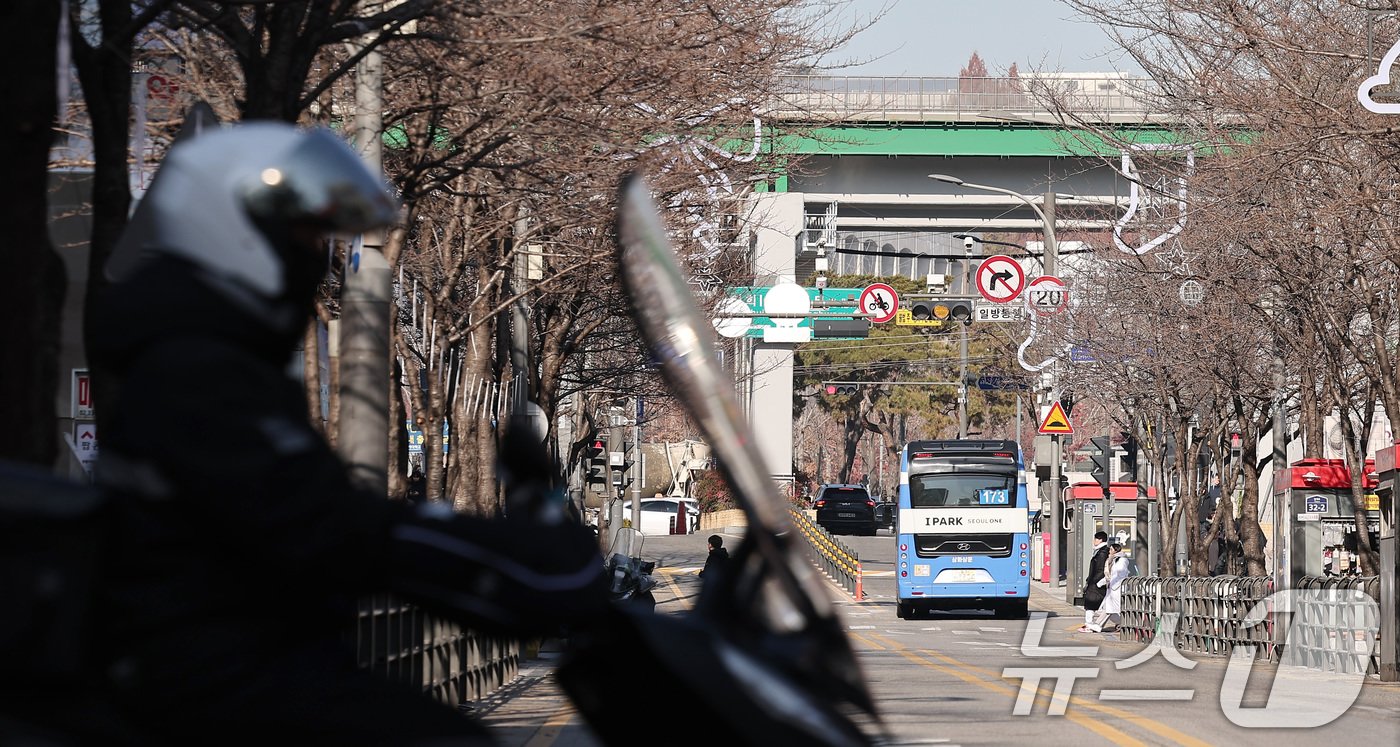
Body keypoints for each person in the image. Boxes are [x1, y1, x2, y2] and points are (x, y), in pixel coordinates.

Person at [66, 121, 609, 745]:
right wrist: (499, 562)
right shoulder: (196, 370)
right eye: (304, 230)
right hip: (209, 680)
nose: (320, 252)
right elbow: (321, 522)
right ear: (234, 227)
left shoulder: (206, 355)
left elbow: (308, 518)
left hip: (235, 663)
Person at [1088, 543, 1130, 632]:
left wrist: (1113, 584)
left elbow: (1119, 575)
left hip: (1117, 589)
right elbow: (1109, 575)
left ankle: (1097, 625)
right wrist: (1101, 583)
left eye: (1111, 549)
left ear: (1116, 550)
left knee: (1109, 609)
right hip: (1112, 588)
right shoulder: (1113, 560)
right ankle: (1124, 624)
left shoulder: (1122, 560)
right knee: (1111, 609)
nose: (1109, 551)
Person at [1079, 530, 1109, 632]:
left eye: (1095, 539)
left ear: (1100, 540)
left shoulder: (1102, 553)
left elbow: (1100, 569)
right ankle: (1089, 624)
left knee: (1091, 604)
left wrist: (1095, 582)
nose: (1093, 541)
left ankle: (1089, 624)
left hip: (1097, 583)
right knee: (1096, 605)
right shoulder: (1100, 551)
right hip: (1095, 582)